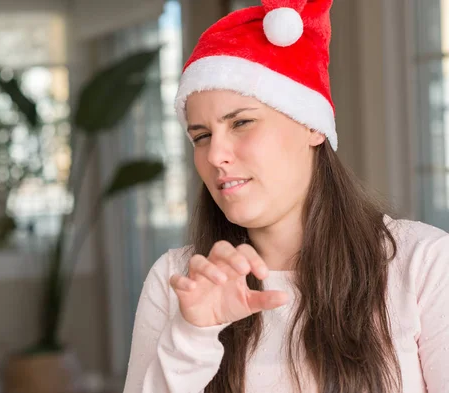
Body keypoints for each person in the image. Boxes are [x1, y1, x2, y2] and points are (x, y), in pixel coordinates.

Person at [122, 0, 449, 392]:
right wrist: (192, 335)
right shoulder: (176, 281)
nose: (214, 155)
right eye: (201, 136)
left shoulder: (422, 264)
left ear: (313, 126)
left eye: (241, 122)